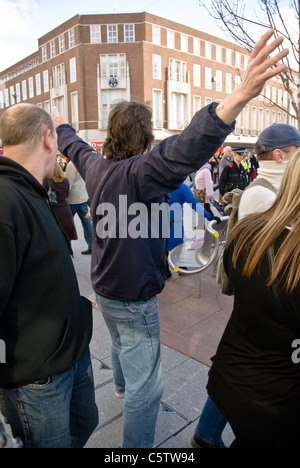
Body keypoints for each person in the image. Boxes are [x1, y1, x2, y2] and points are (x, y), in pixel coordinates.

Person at [52, 30, 289, 448]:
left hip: (104, 289)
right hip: (133, 297)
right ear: (145, 140)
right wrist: (236, 98)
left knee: (125, 351)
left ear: (110, 134)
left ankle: (122, 388)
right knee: (151, 386)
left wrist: (62, 126)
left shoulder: (95, 167)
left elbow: (74, 147)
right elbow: (187, 147)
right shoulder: (142, 173)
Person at [191, 123, 300, 449]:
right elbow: (269, 264)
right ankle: (205, 436)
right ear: (281, 155)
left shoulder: (266, 192)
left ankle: (205, 435)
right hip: (265, 326)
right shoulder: (263, 195)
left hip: (253, 342)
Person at [0, 104, 98, 448]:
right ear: (48, 139)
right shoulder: (5, 200)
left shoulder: (31, 187)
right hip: (38, 375)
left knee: (85, 423)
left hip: (70, 350)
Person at [166, 183, 219, 278]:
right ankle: (179, 268)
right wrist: (209, 216)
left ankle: (167, 269)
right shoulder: (182, 187)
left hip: (161, 221)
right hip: (174, 222)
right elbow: (194, 203)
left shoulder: (161, 184)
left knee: (163, 248)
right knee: (176, 247)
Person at [65, 159, 93, 255]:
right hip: (83, 198)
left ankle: (67, 249)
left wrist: (64, 196)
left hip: (72, 199)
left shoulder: (71, 165)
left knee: (67, 225)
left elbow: (68, 183)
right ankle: (92, 246)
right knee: (87, 223)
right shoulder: (83, 163)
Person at [48, 161, 78, 249]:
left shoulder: (48, 181)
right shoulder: (65, 181)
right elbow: (67, 193)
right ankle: (69, 251)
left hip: (53, 210)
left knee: (54, 234)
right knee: (67, 233)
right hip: (65, 209)